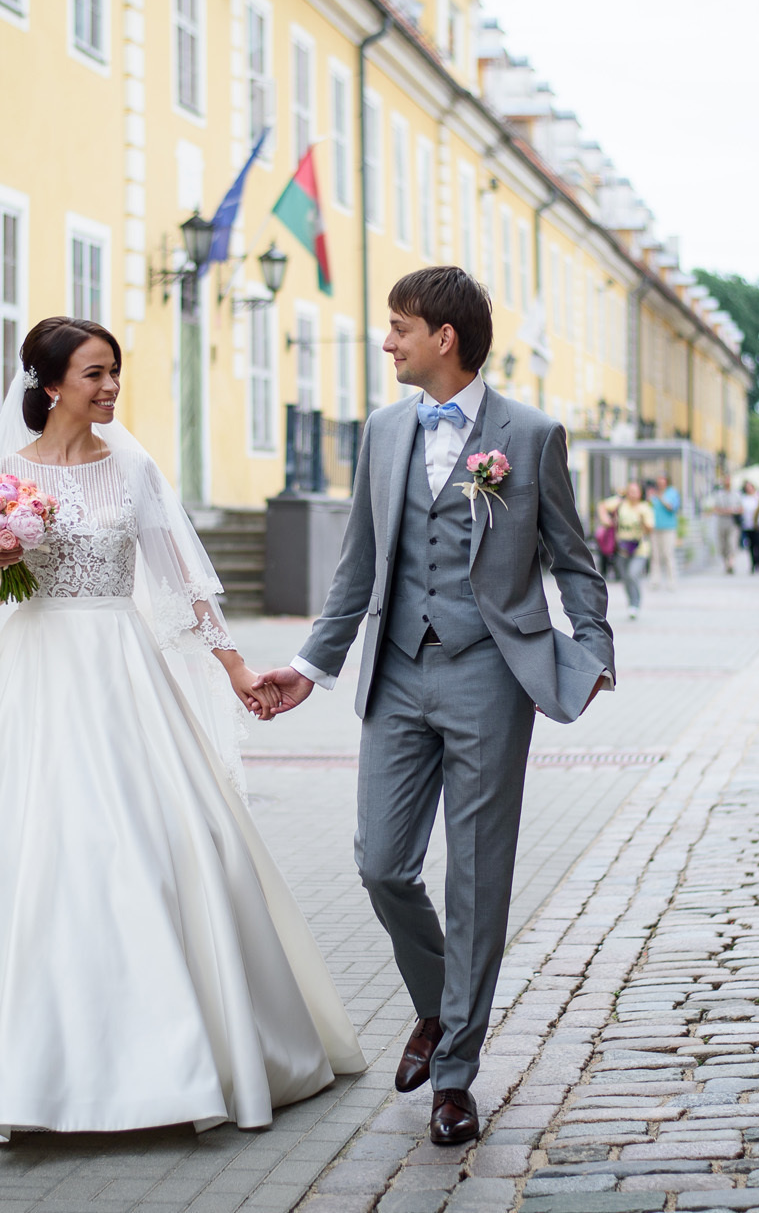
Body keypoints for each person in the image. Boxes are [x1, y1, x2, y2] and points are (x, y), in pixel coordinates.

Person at [0, 317, 366, 1142]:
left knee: (153, 842)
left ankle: (177, 1055)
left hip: (123, 670)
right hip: (34, 676)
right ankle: (17, 1061)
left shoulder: (132, 467)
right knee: (24, 851)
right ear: (51, 383)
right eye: (94, 373)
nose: (110, 388)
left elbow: (184, 578)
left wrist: (236, 668)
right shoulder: (7, 473)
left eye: (115, 373)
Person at [253, 266, 614, 1147]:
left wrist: (593, 648)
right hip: (397, 676)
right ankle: (437, 1005)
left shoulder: (529, 435)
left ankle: (455, 1074)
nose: (387, 342)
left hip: (493, 675)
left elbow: (573, 555)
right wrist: (311, 665)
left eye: (399, 328)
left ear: (443, 338)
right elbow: (357, 568)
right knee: (382, 863)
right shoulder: (382, 432)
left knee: (479, 877)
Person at [614, 481, 654, 619]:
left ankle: (635, 604)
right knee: (625, 577)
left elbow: (650, 529)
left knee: (633, 574)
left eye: (635, 491)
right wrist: (605, 518)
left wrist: (642, 521)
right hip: (623, 548)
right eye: (630, 491)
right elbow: (603, 506)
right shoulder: (621, 504)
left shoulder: (645, 507)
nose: (632, 494)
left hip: (639, 549)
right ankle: (631, 603)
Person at [646, 475, 681, 592]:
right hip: (655, 527)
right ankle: (655, 580)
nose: (660, 484)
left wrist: (660, 497)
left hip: (668, 528)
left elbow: (671, 507)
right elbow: (649, 508)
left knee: (668, 554)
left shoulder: (672, 493)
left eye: (662, 481)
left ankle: (671, 581)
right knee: (655, 555)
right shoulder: (653, 493)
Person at [739, 480, 759, 573]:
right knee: (751, 545)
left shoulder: (758, 496)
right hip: (748, 524)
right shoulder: (744, 498)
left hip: (758, 524)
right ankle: (753, 564)